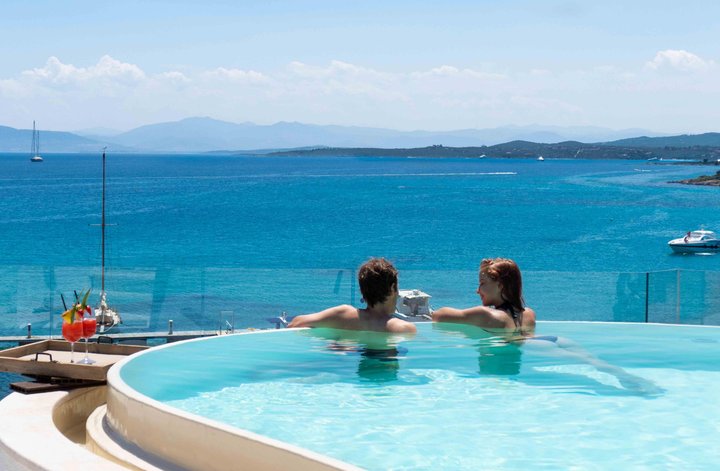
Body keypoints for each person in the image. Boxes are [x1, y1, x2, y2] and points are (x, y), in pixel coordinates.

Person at [288, 257, 417, 333]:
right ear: (393, 288)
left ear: (362, 291)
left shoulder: (343, 314)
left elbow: (295, 323)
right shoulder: (404, 328)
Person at [432, 257, 536, 340]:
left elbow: (438, 315)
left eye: (482, 283)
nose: (477, 291)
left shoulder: (485, 315)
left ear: (500, 286)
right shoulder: (529, 315)